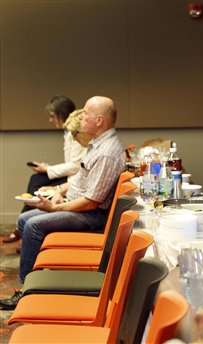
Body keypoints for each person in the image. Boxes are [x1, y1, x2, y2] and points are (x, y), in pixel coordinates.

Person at [0, 96, 125, 310]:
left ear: (99, 121)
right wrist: (58, 191)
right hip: (79, 205)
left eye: (85, 113)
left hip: (91, 216)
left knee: (33, 225)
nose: (80, 116)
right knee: (24, 219)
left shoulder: (107, 153)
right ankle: (38, 279)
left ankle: (27, 291)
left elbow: (91, 202)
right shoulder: (96, 144)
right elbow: (79, 179)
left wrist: (56, 208)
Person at [2, 95, 86, 243]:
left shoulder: (77, 135)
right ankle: (23, 228)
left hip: (75, 182)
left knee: (37, 183)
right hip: (73, 179)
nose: (50, 120)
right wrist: (48, 169)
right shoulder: (69, 133)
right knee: (36, 179)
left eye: (53, 116)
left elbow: (75, 166)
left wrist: (55, 183)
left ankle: (23, 229)